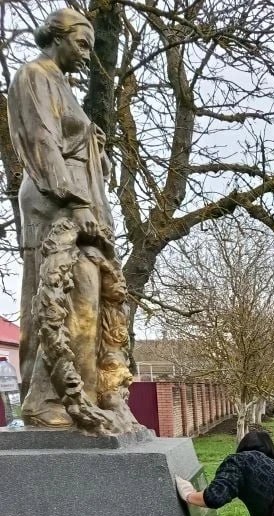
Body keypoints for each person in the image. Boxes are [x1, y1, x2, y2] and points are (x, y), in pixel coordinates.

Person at [8, 8, 136, 434]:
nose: (86, 54)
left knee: (90, 297)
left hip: (80, 205)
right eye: (81, 43)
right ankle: (50, 402)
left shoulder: (61, 82)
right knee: (62, 296)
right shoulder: (34, 75)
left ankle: (94, 394)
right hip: (55, 203)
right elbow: (42, 140)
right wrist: (75, 201)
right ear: (56, 37)